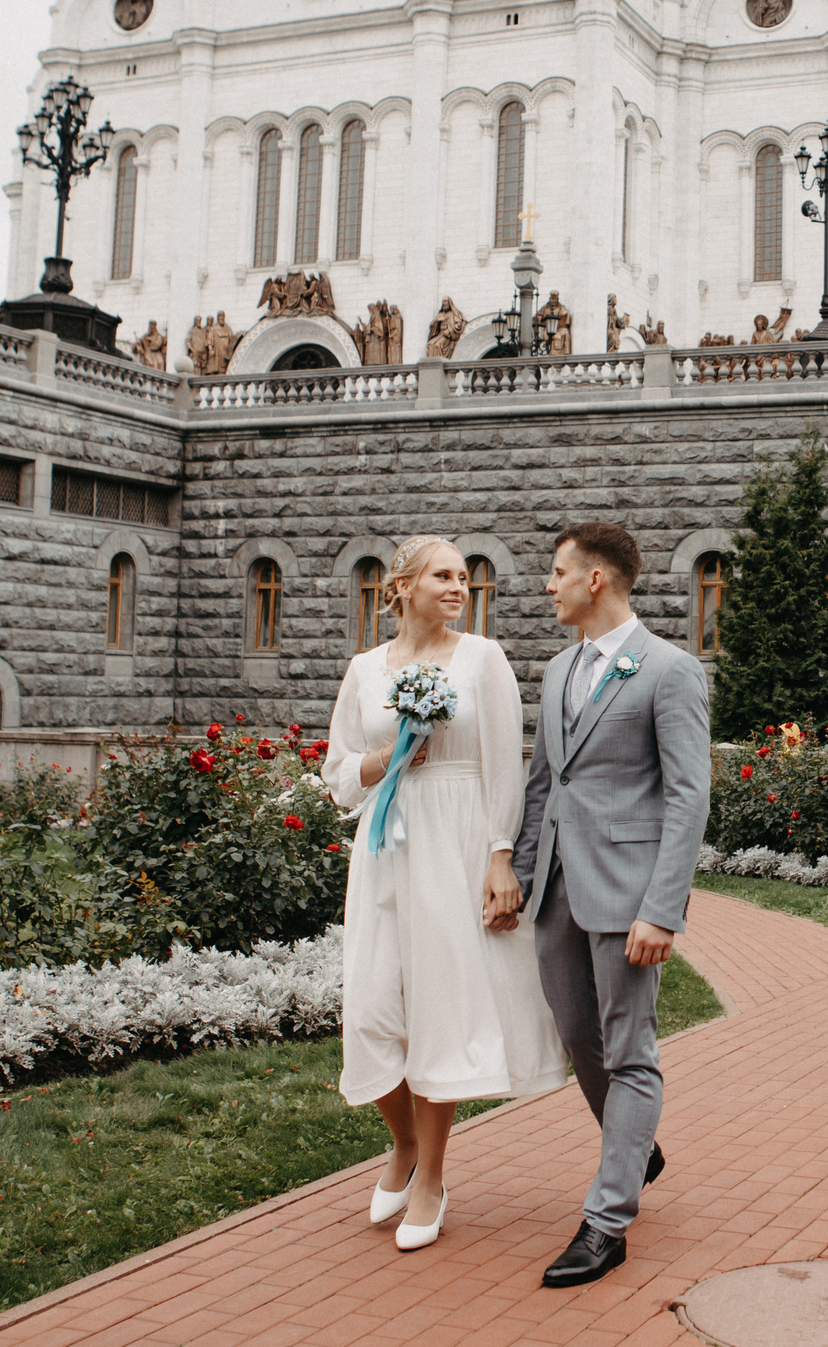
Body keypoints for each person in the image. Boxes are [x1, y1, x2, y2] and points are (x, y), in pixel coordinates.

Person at [320, 535, 564, 1252]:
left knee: (439, 1008)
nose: (459, 586)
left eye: (464, 576)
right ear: (403, 586)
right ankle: (403, 1143)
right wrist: (387, 757)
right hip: (385, 847)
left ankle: (431, 1176)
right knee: (372, 1009)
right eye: (444, 575)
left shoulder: (482, 659)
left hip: (456, 843)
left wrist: (500, 856)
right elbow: (338, 774)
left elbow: (504, 765)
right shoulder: (364, 669)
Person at [512, 520, 710, 1288]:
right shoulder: (559, 668)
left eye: (558, 571)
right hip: (558, 888)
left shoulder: (669, 669)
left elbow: (688, 796)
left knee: (630, 1050)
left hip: (628, 894)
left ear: (595, 578)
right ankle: (636, 1145)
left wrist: (662, 907)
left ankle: (607, 1219)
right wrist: (520, 875)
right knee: (576, 1034)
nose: (549, 584)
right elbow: (543, 782)